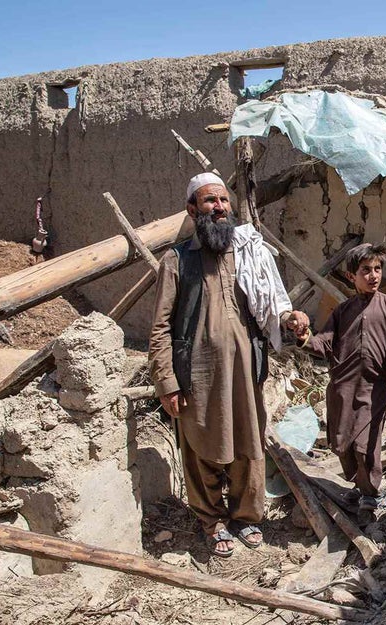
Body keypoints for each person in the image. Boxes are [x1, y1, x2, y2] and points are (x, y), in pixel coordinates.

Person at [149, 172, 309, 558]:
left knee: (247, 442)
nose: (219, 207)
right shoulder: (176, 261)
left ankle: (246, 517)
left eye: (223, 201)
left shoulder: (248, 254)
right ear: (192, 209)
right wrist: (167, 382)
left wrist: (289, 318)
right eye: (209, 201)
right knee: (202, 446)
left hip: (245, 369)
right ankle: (211, 520)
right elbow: (159, 328)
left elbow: (269, 303)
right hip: (197, 374)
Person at [295, 243, 386, 511]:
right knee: (342, 444)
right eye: (366, 270)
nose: (373, 275)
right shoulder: (342, 311)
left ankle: (371, 493)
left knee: (365, 445)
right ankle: (359, 485)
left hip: (373, 388)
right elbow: (324, 343)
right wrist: (305, 338)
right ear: (352, 276)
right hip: (342, 388)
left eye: (377, 269)